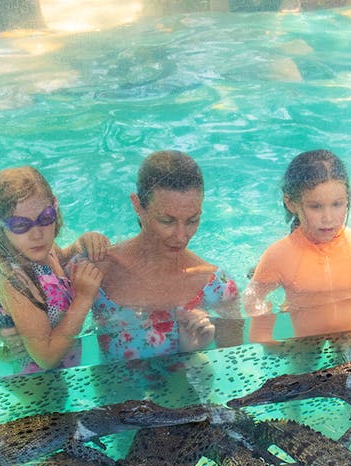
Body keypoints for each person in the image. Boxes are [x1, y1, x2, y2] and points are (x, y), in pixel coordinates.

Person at [87, 150, 240, 362]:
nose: (181, 236)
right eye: (167, 221)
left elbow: (238, 360)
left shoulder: (216, 287)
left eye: (192, 220)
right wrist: (74, 248)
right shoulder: (98, 269)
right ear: (138, 205)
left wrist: (200, 349)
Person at [245, 149, 351, 344]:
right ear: (291, 203)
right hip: (307, 344)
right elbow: (254, 303)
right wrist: (272, 344)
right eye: (315, 207)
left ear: (348, 200)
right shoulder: (278, 256)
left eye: (337, 204)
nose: (328, 218)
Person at [0, 166, 109, 374]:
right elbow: (46, 358)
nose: (37, 234)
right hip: (35, 382)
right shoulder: (15, 281)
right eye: (21, 226)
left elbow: (60, 261)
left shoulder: (37, 249)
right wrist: (84, 298)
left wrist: (81, 246)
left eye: (46, 217)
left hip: (60, 371)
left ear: (55, 210)